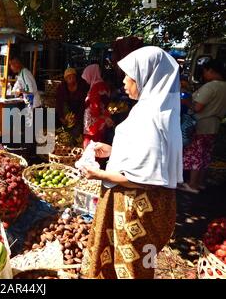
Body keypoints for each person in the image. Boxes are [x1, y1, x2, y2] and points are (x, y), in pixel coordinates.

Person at [79, 46, 182, 279]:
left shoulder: (152, 118)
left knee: (131, 269)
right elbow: (148, 158)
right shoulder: (151, 110)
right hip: (132, 205)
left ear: (147, 77)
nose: (124, 81)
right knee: (118, 263)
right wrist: (114, 151)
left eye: (130, 75)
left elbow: (144, 178)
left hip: (137, 210)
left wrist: (99, 175)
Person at [181, 59, 226, 193]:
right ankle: (199, 182)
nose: (204, 74)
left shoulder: (211, 86)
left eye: (205, 71)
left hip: (201, 124)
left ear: (211, 71)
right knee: (205, 155)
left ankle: (192, 184)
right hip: (214, 125)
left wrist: (186, 99)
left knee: (196, 154)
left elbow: (197, 107)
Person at [81, 64, 113, 148]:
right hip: (102, 121)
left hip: (94, 122)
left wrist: (98, 116)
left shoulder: (95, 87)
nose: (86, 80)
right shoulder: (104, 86)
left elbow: (94, 108)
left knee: (91, 146)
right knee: (100, 143)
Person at [56, 68, 89, 136]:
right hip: (67, 113)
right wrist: (61, 117)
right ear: (65, 79)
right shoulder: (62, 87)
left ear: (76, 77)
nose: (71, 78)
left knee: (76, 133)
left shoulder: (82, 86)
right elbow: (59, 103)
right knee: (66, 132)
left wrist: (77, 118)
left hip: (79, 111)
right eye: (68, 77)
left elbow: (84, 103)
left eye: (72, 76)